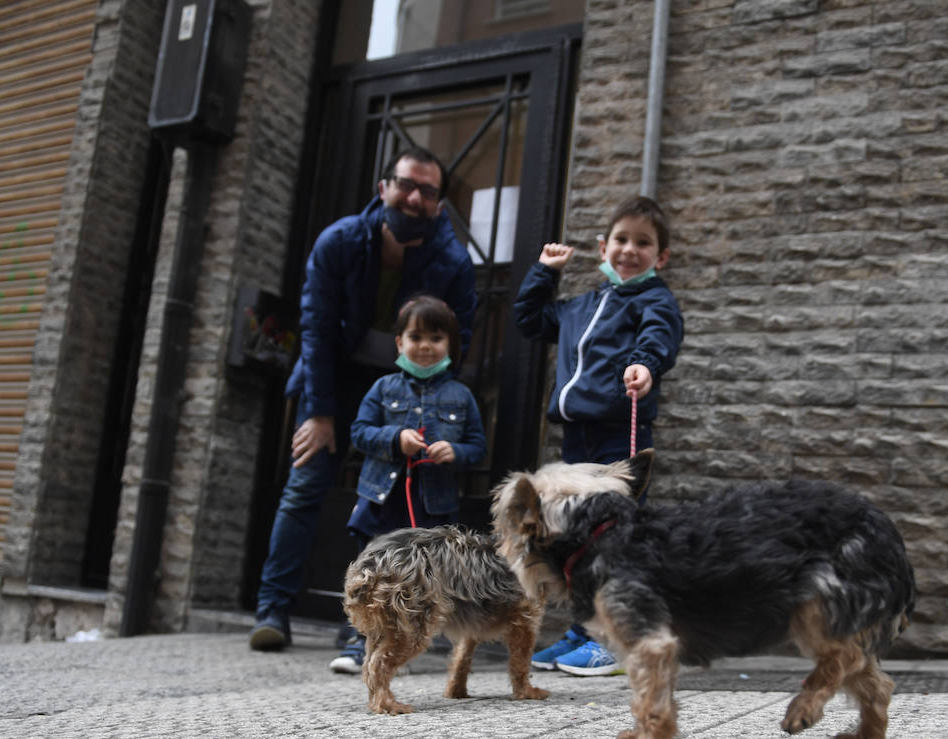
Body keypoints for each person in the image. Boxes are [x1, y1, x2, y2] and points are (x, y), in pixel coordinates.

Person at [248, 148, 478, 652]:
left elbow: (457, 344)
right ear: (384, 188)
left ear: (439, 204)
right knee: (305, 485)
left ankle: (369, 624)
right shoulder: (340, 241)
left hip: (407, 390)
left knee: (394, 505)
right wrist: (321, 413)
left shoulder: (454, 262)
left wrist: (433, 412)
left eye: (429, 191)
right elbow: (317, 330)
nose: (415, 198)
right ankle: (273, 610)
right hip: (334, 379)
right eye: (406, 185)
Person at [510, 195, 684, 676]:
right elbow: (529, 320)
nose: (630, 250)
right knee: (575, 539)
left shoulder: (654, 300)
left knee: (615, 538)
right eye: (622, 240)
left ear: (660, 257)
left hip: (618, 433)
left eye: (643, 243)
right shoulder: (579, 307)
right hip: (577, 439)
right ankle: (581, 630)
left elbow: (658, 337)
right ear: (603, 247)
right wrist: (544, 272)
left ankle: (614, 636)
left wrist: (643, 366)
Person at [331, 296, 487, 672]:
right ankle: (360, 643)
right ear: (399, 342)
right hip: (382, 500)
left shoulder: (462, 395)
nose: (425, 346)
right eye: (415, 336)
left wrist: (458, 452)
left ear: (450, 345)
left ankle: (405, 643)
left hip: (432, 503)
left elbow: (478, 446)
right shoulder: (383, 388)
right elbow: (358, 432)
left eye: (436, 337)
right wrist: (394, 438)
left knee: (422, 579)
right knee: (371, 574)